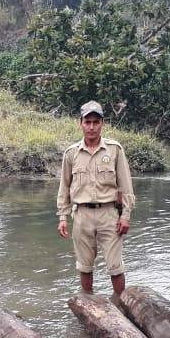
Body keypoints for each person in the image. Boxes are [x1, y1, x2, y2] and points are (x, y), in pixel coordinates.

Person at [56, 100, 135, 295]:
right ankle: (90, 308)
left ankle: (122, 305)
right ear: (80, 123)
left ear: (102, 123)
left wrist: (125, 215)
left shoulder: (115, 149)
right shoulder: (71, 153)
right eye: (87, 122)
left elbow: (126, 186)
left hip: (109, 214)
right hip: (81, 215)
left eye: (96, 122)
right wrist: (63, 217)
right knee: (84, 266)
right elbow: (64, 187)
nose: (91, 127)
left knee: (116, 267)